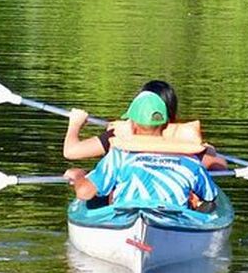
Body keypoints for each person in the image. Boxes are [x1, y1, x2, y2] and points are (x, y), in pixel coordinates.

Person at [64, 91, 219, 212]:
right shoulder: (190, 160)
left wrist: (79, 176)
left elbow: (84, 193)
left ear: (133, 125)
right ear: (166, 125)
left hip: (126, 218)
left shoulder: (119, 156)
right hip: (172, 221)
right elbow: (210, 196)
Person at [64, 79, 227, 169]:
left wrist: (75, 124)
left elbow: (71, 152)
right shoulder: (183, 140)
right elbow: (220, 166)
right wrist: (210, 151)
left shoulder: (120, 134)